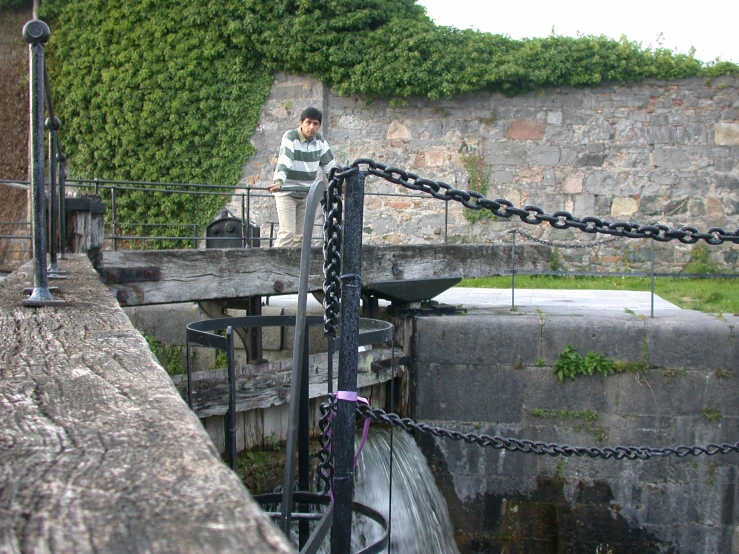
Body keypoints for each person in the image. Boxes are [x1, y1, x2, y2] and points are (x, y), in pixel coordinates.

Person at [267, 107, 336, 247]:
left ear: (319, 126)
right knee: (287, 233)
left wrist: (339, 184)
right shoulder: (291, 137)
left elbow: (330, 166)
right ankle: (274, 265)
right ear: (301, 123)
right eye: (308, 122)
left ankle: (296, 268)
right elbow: (286, 158)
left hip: (306, 193)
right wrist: (279, 181)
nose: (311, 127)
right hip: (287, 191)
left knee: (301, 237)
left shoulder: (320, 142)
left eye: (315, 124)